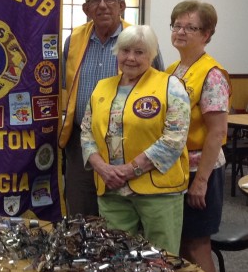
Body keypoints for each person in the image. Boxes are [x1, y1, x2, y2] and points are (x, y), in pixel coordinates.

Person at [59, 0, 164, 218]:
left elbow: (160, 87)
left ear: (122, 5)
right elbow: (66, 86)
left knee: (123, 217)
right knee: (81, 214)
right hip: (81, 144)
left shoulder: (140, 39)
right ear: (86, 9)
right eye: (95, 0)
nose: (103, 5)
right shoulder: (73, 40)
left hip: (130, 143)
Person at [80, 25, 190, 254]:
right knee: (114, 257)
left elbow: (174, 138)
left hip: (158, 192)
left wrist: (130, 170)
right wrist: (103, 169)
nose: (130, 58)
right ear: (117, 53)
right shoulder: (102, 87)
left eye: (139, 52)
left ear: (151, 55)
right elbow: (86, 132)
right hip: (111, 191)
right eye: (125, 50)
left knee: (161, 258)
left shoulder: (171, 85)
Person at [166, 0, 230, 272]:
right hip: (176, 168)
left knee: (197, 243)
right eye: (177, 25)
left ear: (206, 34)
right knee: (178, 240)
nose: (181, 32)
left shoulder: (212, 74)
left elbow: (216, 132)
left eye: (190, 27)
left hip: (200, 170)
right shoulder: (172, 70)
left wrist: (201, 182)